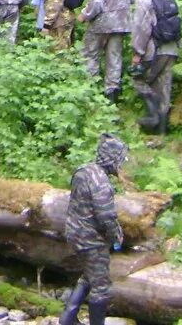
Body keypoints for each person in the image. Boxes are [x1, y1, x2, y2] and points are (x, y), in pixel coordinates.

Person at [60, 133, 128, 325]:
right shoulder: (101, 183)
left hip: (74, 233)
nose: (122, 164)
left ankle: (67, 319)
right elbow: (106, 216)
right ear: (112, 159)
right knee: (101, 287)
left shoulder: (84, 170)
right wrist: (116, 236)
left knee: (89, 276)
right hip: (91, 240)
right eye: (120, 159)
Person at [127, 0, 178, 135]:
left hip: (154, 50)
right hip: (171, 48)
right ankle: (161, 131)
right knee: (164, 85)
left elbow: (141, 29)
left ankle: (153, 117)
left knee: (139, 79)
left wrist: (137, 53)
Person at [81, 0, 131, 102]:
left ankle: (90, 88)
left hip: (102, 22)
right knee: (114, 56)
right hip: (121, 23)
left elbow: (97, 0)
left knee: (90, 53)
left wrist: (86, 14)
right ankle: (112, 92)